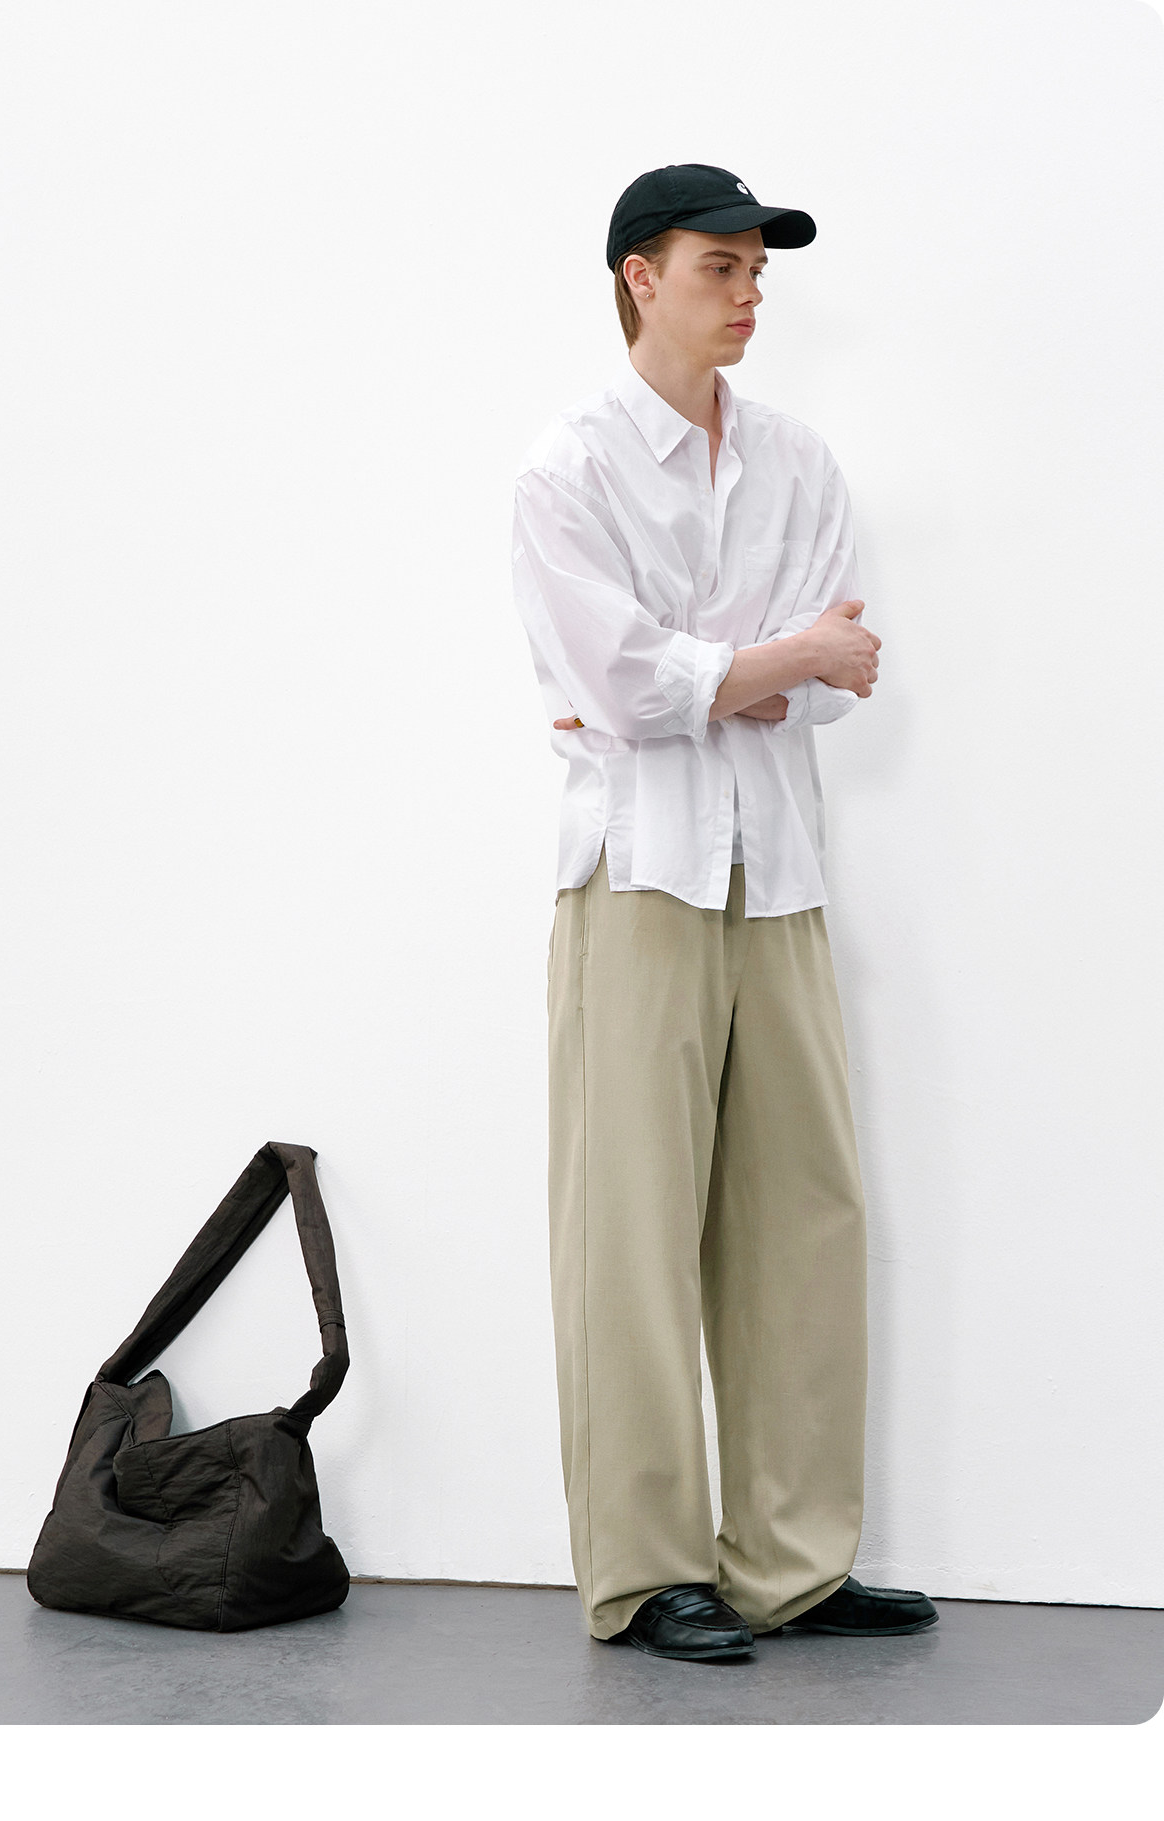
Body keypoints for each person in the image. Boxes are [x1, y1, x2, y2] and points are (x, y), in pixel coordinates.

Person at [509, 164, 937, 1663]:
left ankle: (792, 1565)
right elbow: (628, 686)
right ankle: (643, 1572)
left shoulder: (800, 462)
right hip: (640, 876)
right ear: (641, 275)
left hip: (780, 873)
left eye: (761, 270)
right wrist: (761, 662)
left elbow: (830, 677)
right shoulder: (568, 468)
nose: (751, 293)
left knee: (804, 1213)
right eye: (722, 266)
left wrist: (727, 673)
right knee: (629, 1228)